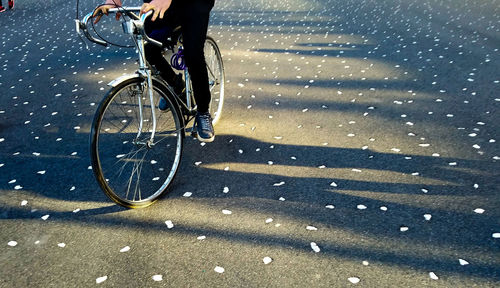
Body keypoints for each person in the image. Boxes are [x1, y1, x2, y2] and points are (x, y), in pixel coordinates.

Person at [93, 0, 216, 142]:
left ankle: (203, 111)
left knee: (193, 54)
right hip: (158, 4)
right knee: (147, 49)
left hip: (193, 4)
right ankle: (177, 87)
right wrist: (113, 1)